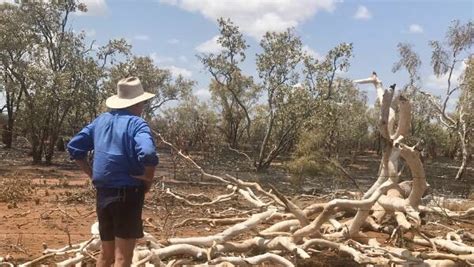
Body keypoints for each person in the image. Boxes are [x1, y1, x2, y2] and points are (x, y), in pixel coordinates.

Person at [67, 77, 158, 267]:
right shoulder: (137, 124)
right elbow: (148, 152)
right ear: (137, 102)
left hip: (103, 194)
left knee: (106, 254)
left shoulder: (101, 121)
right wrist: (148, 177)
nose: (143, 106)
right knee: (122, 258)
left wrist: (91, 173)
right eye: (142, 102)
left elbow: (74, 147)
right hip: (128, 195)